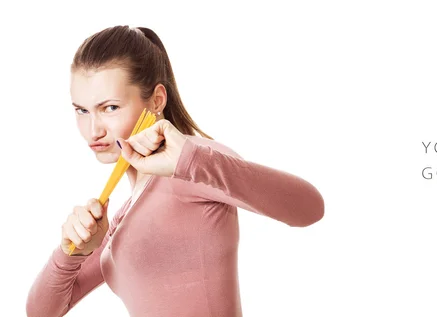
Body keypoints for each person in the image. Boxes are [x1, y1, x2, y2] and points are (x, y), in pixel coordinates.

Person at [25, 25, 325, 317]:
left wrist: (193, 162)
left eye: (110, 108)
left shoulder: (191, 165)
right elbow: (41, 312)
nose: (94, 130)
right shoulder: (123, 212)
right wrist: (71, 252)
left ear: (156, 100)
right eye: (82, 110)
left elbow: (310, 208)